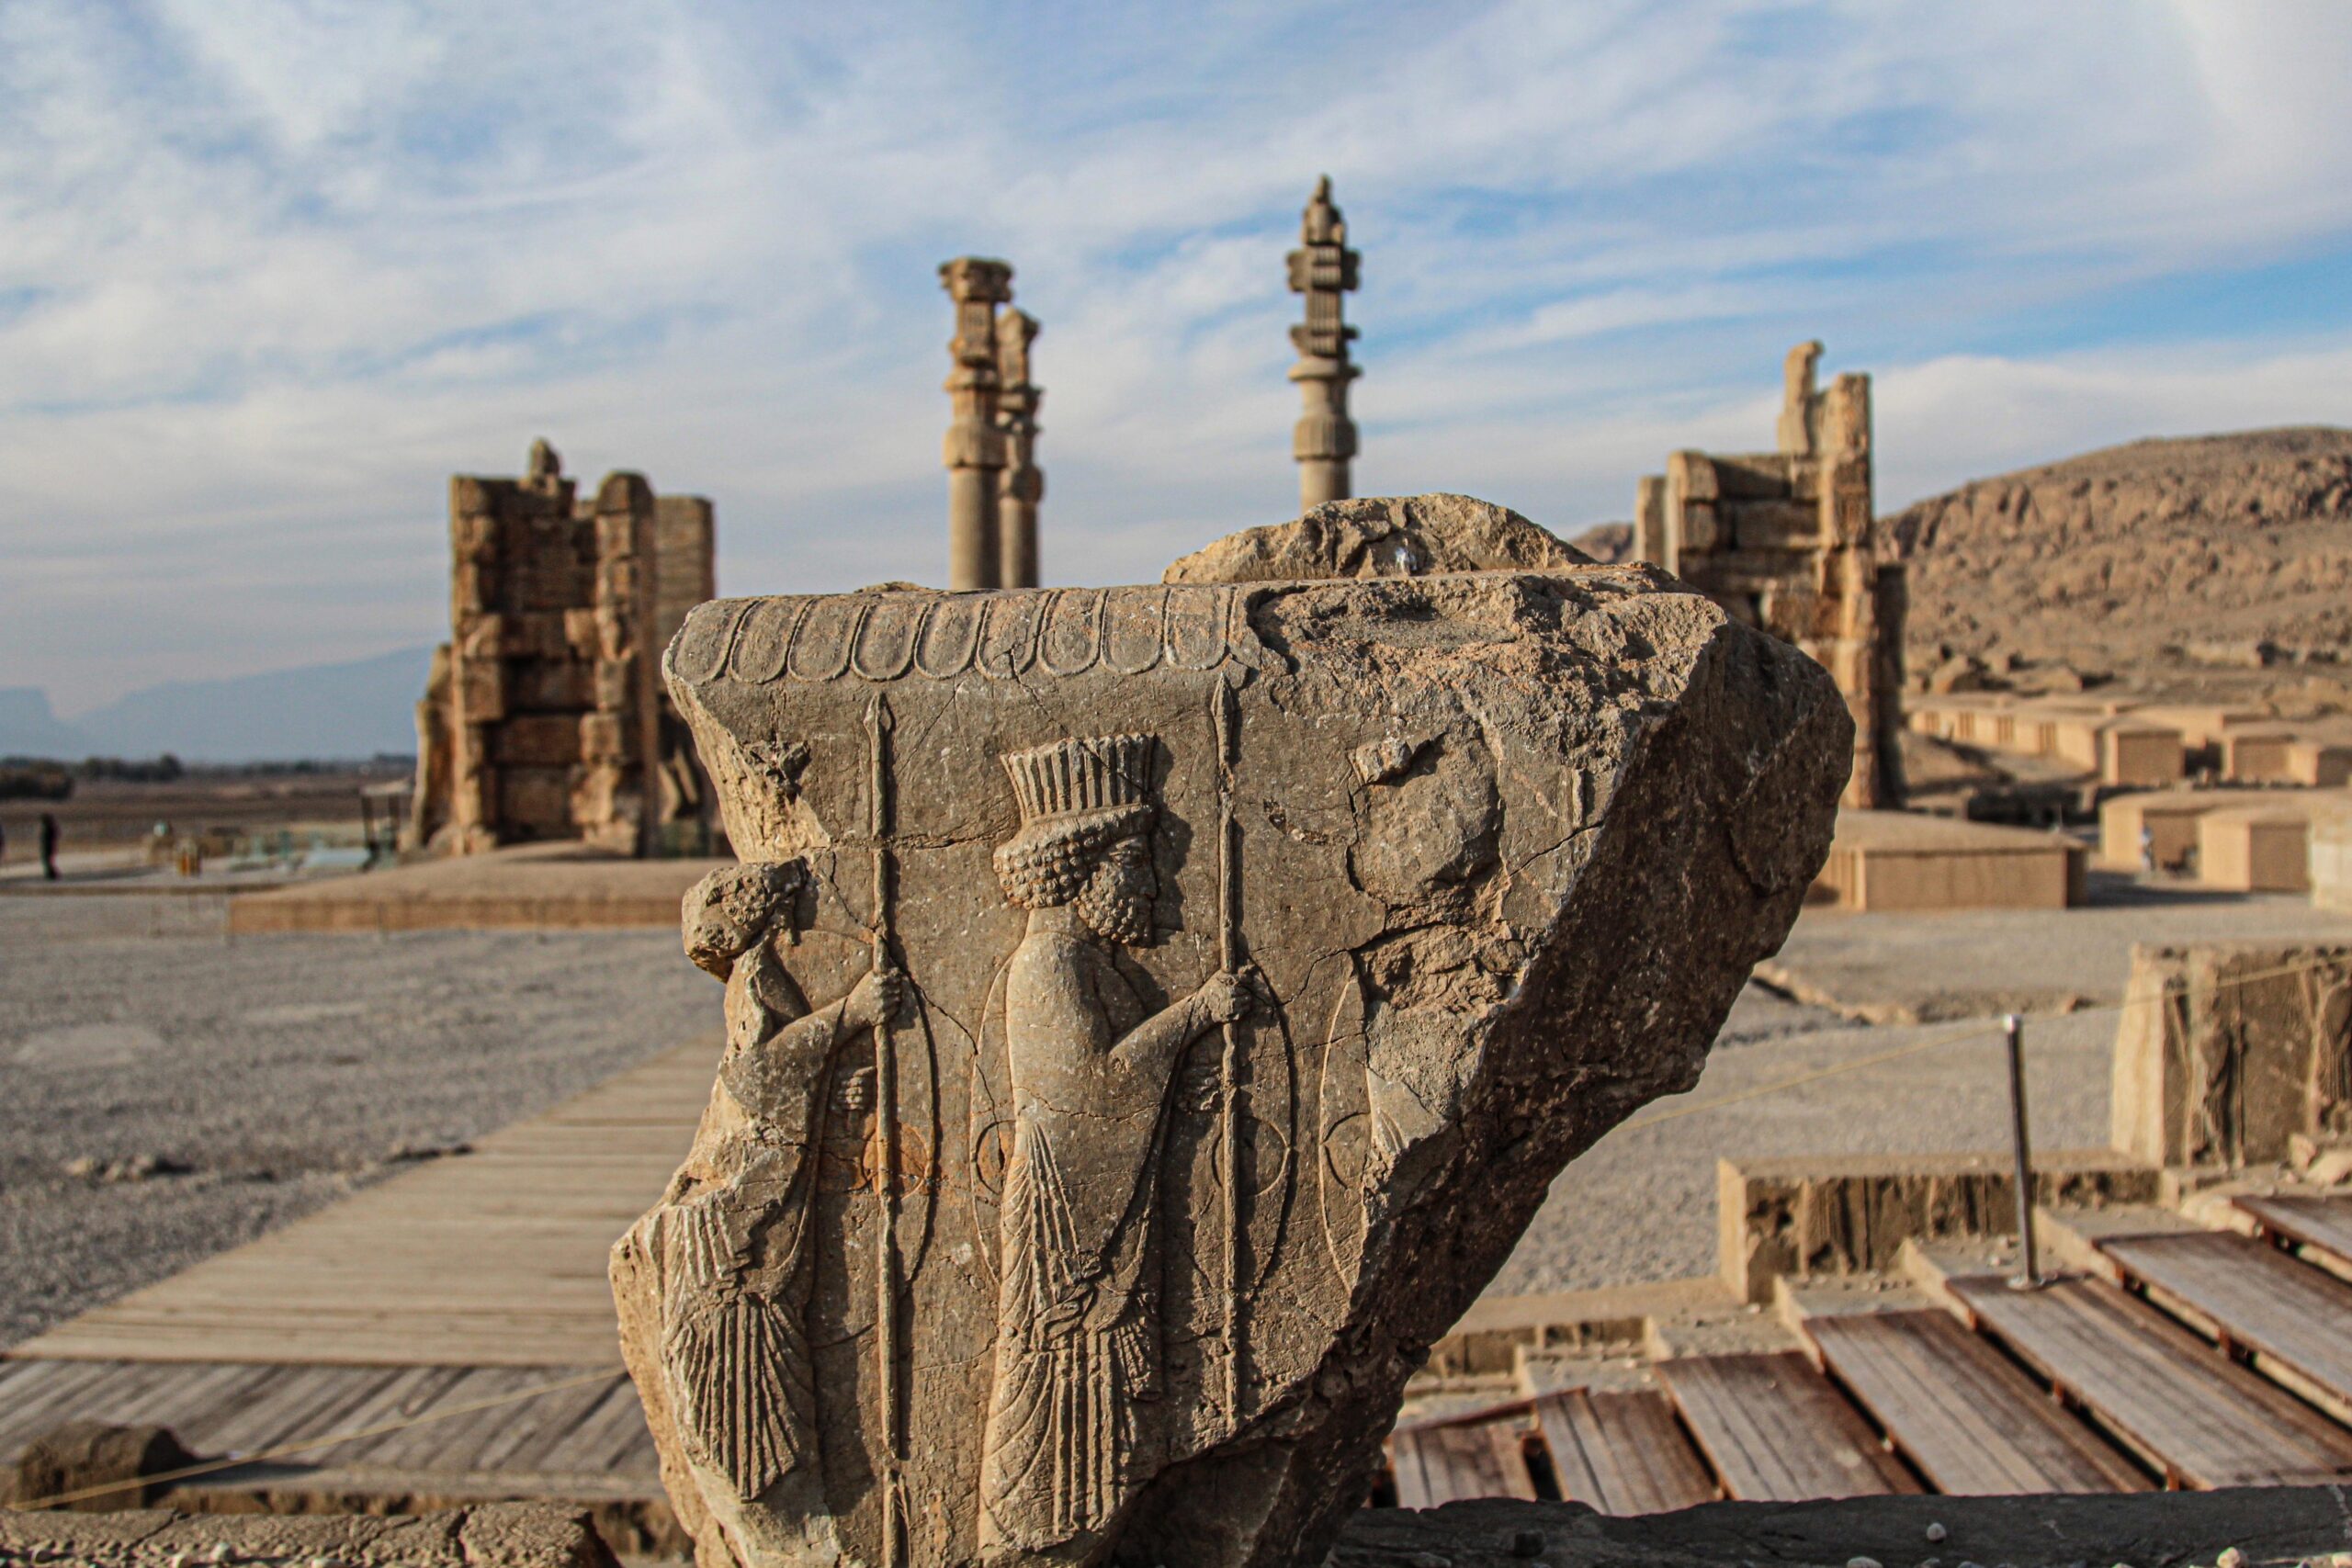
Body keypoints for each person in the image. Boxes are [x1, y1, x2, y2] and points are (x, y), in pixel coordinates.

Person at [978, 734, 1256, 1559]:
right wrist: (1196, 1013)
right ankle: (1046, 1531)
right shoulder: (1050, 965)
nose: (1151, 886)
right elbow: (1094, 1096)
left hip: (1100, 1217)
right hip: (1073, 1227)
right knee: (1067, 1386)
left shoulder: (1088, 963)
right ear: (1082, 868)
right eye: (1135, 865)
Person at [39, 812, 60, 881]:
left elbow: (49, 837)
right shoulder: (50, 827)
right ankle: (50, 874)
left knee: (48, 860)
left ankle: (52, 874)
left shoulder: (49, 827)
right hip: (48, 846)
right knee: (47, 860)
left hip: (49, 846)